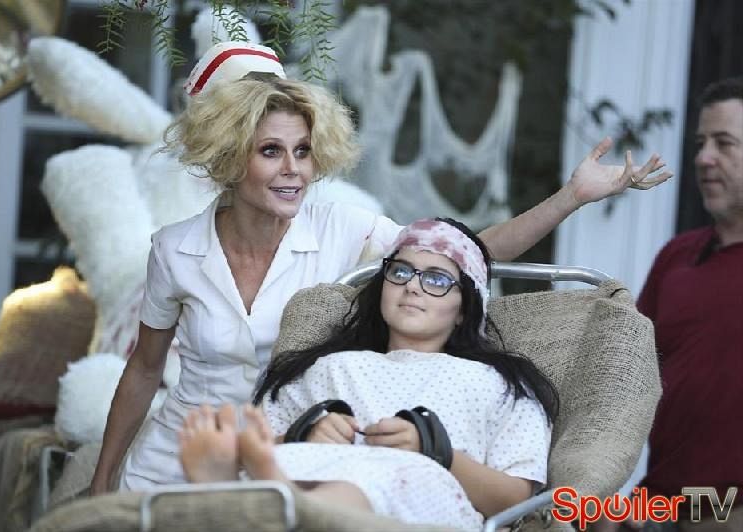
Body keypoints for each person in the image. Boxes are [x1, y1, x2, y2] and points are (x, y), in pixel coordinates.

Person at [90, 41, 671, 495]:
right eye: (271, 151)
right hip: (175, 456)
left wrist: (570, 198)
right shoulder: (174, 248)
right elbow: (143, 370)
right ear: (228, 158)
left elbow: (459, 253)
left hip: (290, 459)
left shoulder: (344, 227)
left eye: (303, 150)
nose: (294, 169)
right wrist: (102, 478)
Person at [179, 218, 558, 531]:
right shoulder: (328, 366)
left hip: (423, 492)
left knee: (386, 477)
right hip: (315, 469)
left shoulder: (498, 383)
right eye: (401, 271)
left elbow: (516, 499)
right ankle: (267, 491)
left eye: (437, 279)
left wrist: (437, 452)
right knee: (289, 460)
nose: (412, 286)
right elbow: (264, 441)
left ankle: (268, 499)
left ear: (464, 309)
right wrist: (302, 434)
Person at [626, 77, 743, 531]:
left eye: (724, 143)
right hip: (662, 510)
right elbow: (624, 381)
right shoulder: (677, 258)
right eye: (700, 144)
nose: (703, 158)